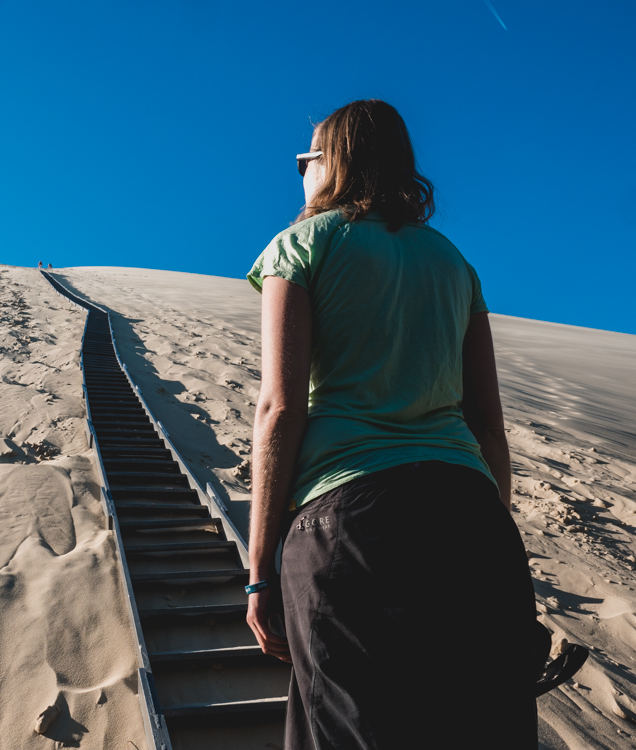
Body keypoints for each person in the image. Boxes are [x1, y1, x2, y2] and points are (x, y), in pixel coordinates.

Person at [244, 99, 537, 748]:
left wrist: (259, 569)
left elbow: (280, 408)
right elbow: (488, 427)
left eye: (304, 159)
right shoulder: (456, 266)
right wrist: (489, 531)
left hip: (352, 523)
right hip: (473, 519)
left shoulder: (299, 248)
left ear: (331, 163)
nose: (299, 173)